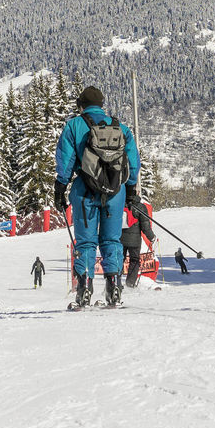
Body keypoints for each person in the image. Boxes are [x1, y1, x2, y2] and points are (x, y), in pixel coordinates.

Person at [54, 85, 143, 308]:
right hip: (115, 192)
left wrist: (60, 188)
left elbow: (65, 162)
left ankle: (84, 290)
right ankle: (114, 290)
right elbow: (132, 163)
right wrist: (130, 191)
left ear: (81, 106)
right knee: (112, 240)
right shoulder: (121, 128)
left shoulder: (74, 126)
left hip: (84, 191)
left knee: (85, 242)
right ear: (102, 106)